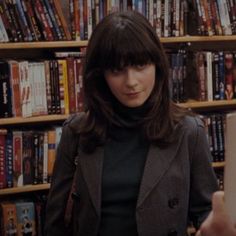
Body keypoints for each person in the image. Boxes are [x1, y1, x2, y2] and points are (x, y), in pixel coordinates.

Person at [44, 10, 218, 236]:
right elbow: (55, 222)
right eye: (117, 70)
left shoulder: (188, 132)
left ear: (157, 65)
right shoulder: (77, 132)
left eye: (140, 66)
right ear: (101, 75)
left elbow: (206, 212)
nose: (131, 82)